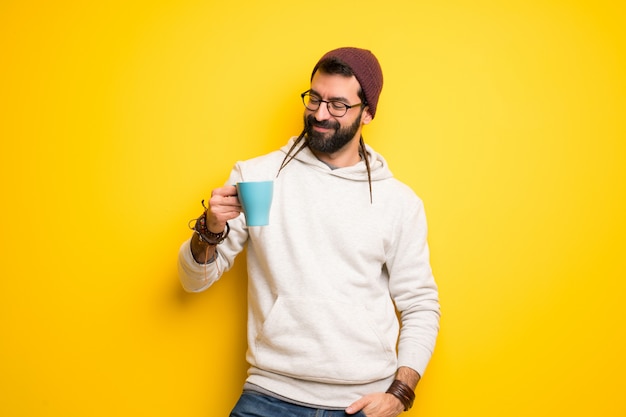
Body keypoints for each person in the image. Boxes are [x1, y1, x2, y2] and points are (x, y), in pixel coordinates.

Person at [178, 47, 440, 417]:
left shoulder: (398, 202)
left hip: (361, 404)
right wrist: (210, 229)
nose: (320, 113)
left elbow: (420, 304)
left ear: (366, 113)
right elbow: (193, 281)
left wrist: (400, 394)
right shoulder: (257, 177)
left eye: (337, 104)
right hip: (268, 396)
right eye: (314, 98)